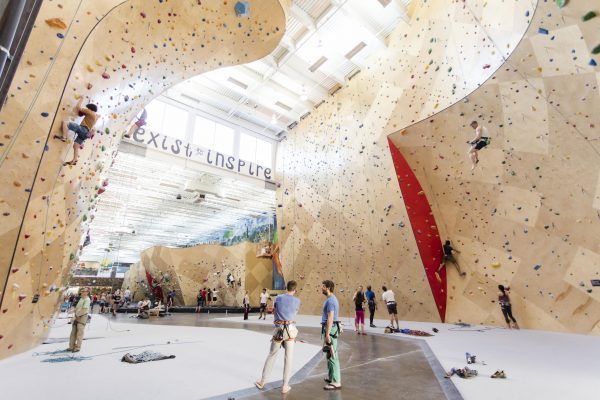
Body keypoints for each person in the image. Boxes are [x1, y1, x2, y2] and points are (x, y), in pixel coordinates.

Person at [255, 280, 301, 395]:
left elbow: (275, 311)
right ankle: (285, 386)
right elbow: (294, 314)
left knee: (272, 355)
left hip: (279, 330)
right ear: (295, 290)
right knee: (288, 358)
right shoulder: (297, 301)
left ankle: (262, 381)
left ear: (286, 287)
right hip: (290, 331)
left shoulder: (279, 298)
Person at [54, 99, 99, 165]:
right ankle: (74, 160)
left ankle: (64, 137)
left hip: (83, 129)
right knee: (76, 146)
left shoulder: (90, 112)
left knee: (65, 123)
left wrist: (81, 99)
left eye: (88, 108)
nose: (87, 109)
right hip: (86, 134)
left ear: (90, 108)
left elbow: (78, 107)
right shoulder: (96, 116)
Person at [321, 280, 342, 391]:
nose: (322, 288)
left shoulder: (331, 301)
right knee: (329, 355)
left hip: (331, 329)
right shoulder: (330, 299)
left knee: (333, 356)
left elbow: (330, 317)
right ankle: (331, 377)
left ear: (328, 287)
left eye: (323, 286)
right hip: (329, 328)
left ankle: (336, 382)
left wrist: (327, 334)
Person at [67, 287, 91, 352]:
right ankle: (71, 346)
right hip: (76, 316)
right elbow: (78, 307)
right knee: (73, 333)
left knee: (79, 334)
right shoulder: (81, 299)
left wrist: (76, 316)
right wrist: (73, 310)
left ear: (87, 292)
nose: (82, 292)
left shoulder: (87, 299)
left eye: (84, 291)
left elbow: (84, 310)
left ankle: (77, 347)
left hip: (82, 317)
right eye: (82, 291)